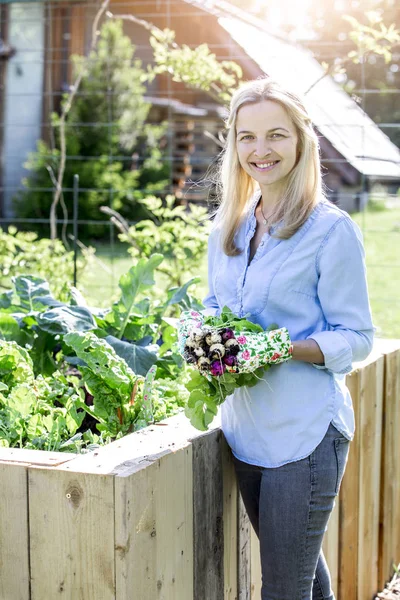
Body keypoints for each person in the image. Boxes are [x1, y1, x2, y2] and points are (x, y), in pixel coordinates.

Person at [201, 78, 375, 600]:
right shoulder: (226, 228)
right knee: (300, 574)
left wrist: (283, 348)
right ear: (233, 145)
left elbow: (360, 336)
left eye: (276, 135)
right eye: (246, 136)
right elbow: (218, 306)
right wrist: (201, 331)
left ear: (301, 141)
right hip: (244, 428)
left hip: (305, 434)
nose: (260, 150)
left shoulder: (330, 230)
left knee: (282, 588)